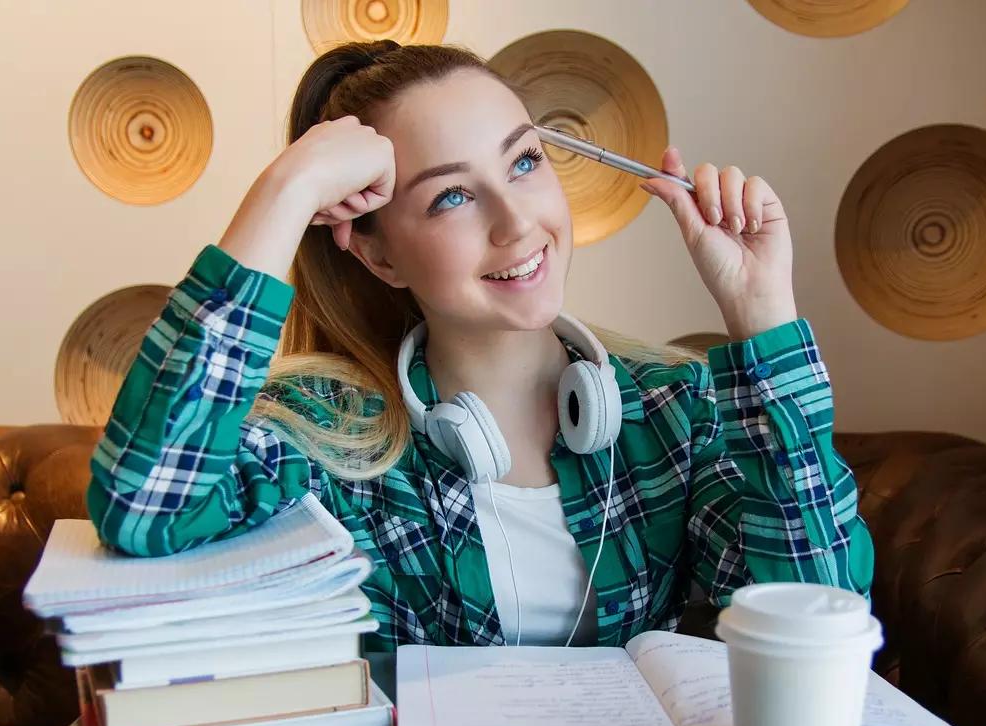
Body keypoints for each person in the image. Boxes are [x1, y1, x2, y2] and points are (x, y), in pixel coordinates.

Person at [87, 39, 873, 652]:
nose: (518, 223)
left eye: (525, 162)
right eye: (453, 196)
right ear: (379, 253)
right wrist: (287, 190)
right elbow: (147, 508)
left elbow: (823, 618)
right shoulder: (322, 439)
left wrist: (762, 311)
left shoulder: (678, 411)